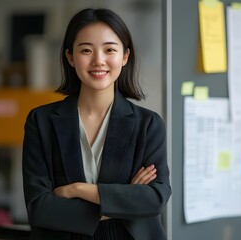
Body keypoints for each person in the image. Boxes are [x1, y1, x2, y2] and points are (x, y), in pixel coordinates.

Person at [22, 8, 171, 240]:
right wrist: (124, 201)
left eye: (110, 49)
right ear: (70, 57)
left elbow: (154, 199)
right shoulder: (40, 122)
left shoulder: (148, 125)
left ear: (124, 56)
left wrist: (77, 190)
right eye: (86, 50)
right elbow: (39, 207)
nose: (98, 60)